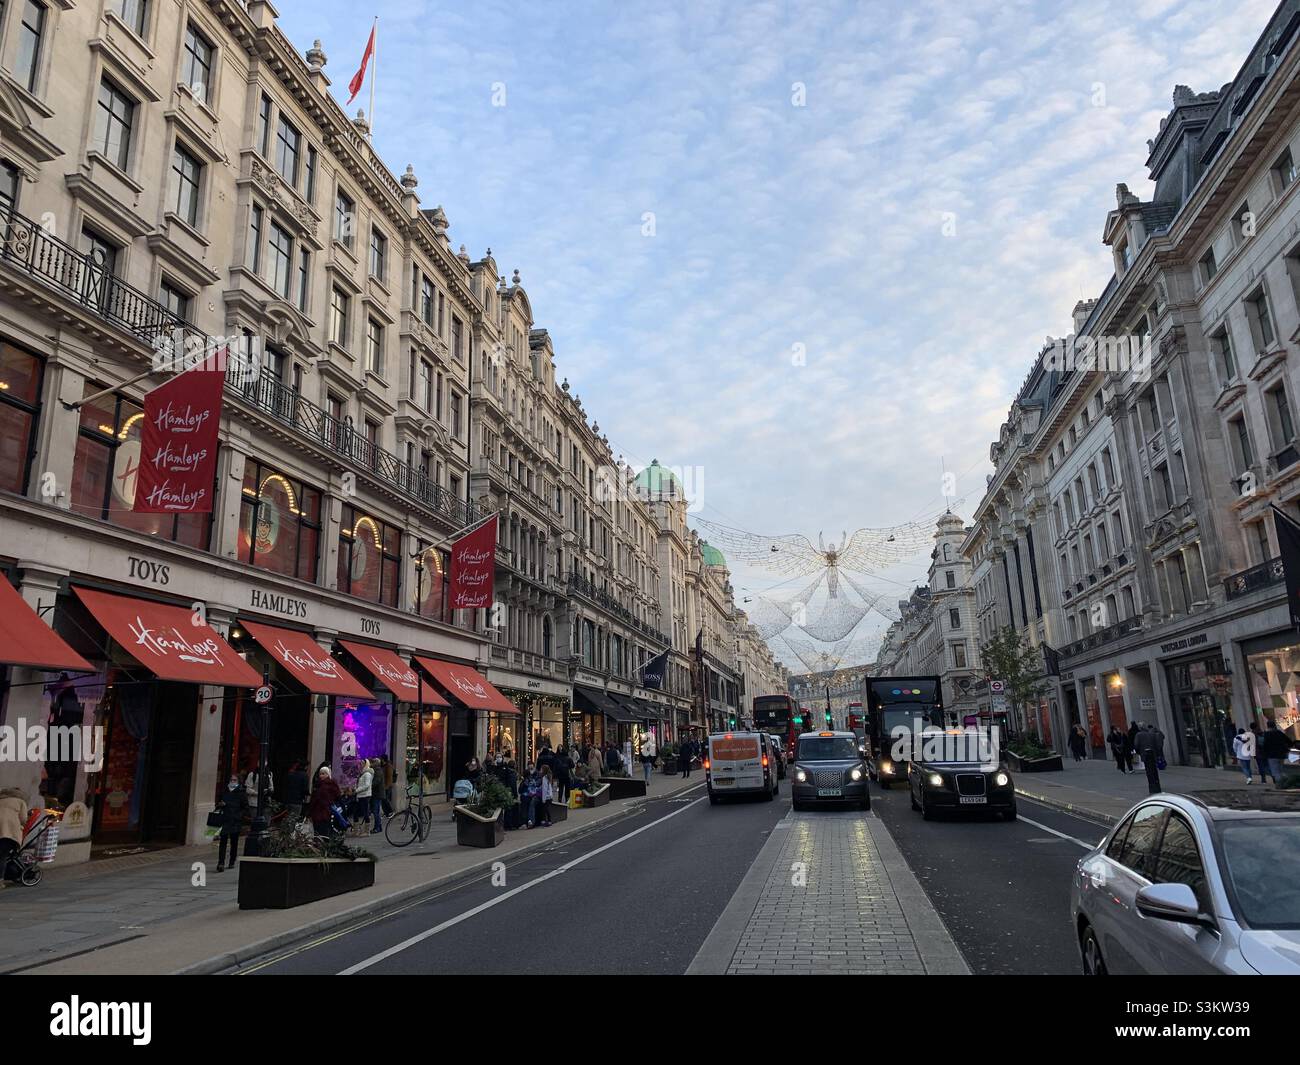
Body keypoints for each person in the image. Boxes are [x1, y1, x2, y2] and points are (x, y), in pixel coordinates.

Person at [215, 775, 248, 872]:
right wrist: (221, 804)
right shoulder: (224, 791)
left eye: (235, 780)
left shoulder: (241, 793)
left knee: (234, 842)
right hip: (225, 819)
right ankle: (221, 862)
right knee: (223, 841)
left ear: (238, 781)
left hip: (235, 820)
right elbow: (218, 802)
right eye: (231, 780)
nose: (232, 781)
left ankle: (232, 861)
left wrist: (239, 816)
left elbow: (245, 807)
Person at [0, 786, 29, 882]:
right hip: (9, 833)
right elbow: (23, 819)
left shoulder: (1, 800)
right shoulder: (21, 802)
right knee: (2, 856)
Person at [308, 766, 341, 837]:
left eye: (323, 774)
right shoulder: (320, 785)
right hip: (322, 812)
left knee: (321, 832)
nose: (321, 776)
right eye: (320, 774)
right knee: (321, 832)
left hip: (322, 812)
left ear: (327, 774)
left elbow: (315, 800)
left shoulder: (325, 786)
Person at [1133, 723, 1165, 794]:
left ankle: (1152, 788)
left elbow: (1136, 745)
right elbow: (1157, 744)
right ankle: (1157, 787)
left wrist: (1139, 752)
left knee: (1149, 771)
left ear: (1140, 728)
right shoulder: (1151, 734)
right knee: (1154, 771)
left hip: (1145, 754)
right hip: (1153, 754)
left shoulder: (1138, 735)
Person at [1261, 718, 1293, 789]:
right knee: (1280, 770)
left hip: (1272, 756)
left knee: (1275, 771)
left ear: (1267, 726)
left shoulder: (1266, 735)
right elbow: (1289, 741)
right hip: (1281, 754)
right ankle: (1284, 782)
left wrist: (1264, 754)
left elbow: (1264, 745)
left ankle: (1280, 785)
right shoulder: (1279, 732)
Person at [355, 758, 381, 834]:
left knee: (366, 812)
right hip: (360, 795)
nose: (360, 765)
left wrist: (357, 790)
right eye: (360, 763)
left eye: (362, 763)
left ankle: (367, 831)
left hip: (365, 795)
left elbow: (367, 785)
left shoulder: (367, 773)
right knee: (357, 812)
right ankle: (357, 830)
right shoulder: (362, 773)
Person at [519, 764, 543, 828]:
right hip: (531, 795)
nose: (531, 770)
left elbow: (520, 790)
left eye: (531, 768)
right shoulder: (531, 778)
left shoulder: (532, 778)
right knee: (527, 809)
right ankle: (529, 822)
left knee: (526, 809)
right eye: (529, 769)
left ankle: (528, 822)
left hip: (530, 796)